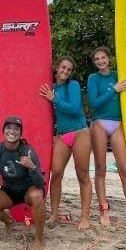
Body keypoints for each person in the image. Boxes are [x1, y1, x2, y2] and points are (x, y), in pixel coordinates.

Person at [86, 46, 126, 230]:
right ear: (95, 62)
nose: (101, 61)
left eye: (104, 57)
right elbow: (94, 103)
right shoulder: (93, 78)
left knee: (124, 170)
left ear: (109, 59)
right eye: (97, 59)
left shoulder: (119, 74)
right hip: (99, 124)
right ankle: (104, 211)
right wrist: (114, 90)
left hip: (118, 123)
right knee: (101, 168)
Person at [0, 115, 49, 250]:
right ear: (3, 131)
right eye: (9, 128)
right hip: (9, 191)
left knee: (37, 196)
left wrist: (32, 167)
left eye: (16, 128)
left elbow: (40, 184)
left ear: (20, 132)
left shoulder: (27, 151)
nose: (12, 131)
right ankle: (9, 221)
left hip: (28, 190)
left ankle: (39, 239)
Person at [39, 56, 92, 230]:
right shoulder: (51, 88)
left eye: (69, 69)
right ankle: (54, 214)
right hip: (62, 135)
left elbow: (75, 108)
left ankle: (84, 216)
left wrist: (54, 99)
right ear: (56, 67)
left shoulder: (73, 85)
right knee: (57, 174)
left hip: (79, 132)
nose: (65, 71)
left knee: (82, 174)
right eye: (63, 67)